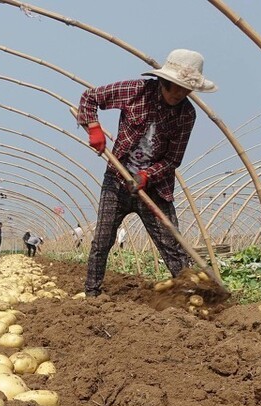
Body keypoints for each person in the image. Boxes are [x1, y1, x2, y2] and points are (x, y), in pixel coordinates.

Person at [78, 49, 216, 297]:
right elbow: (90, 97)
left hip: (155, 187)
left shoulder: (186, 114)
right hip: (117, 181)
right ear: (165, 81)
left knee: (172, 245)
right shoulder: (136, 91)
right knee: (102, 240)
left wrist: (147, 176)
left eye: (187, 89)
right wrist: (93, 127)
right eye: (177, 87)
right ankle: (92, 295)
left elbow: (173, 159)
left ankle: (190, 296)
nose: (182, 94)